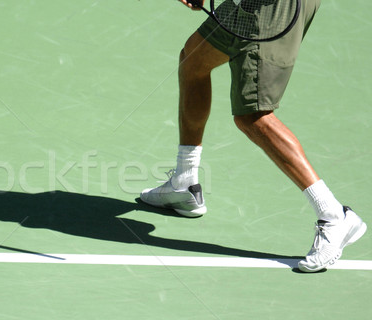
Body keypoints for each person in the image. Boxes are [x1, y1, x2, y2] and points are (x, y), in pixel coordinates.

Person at [140, 0, 366, 272]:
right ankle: (184, 183)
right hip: (251, 4)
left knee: (253, 116)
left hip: (274, 6)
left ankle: (334, 215)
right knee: (194, 60)